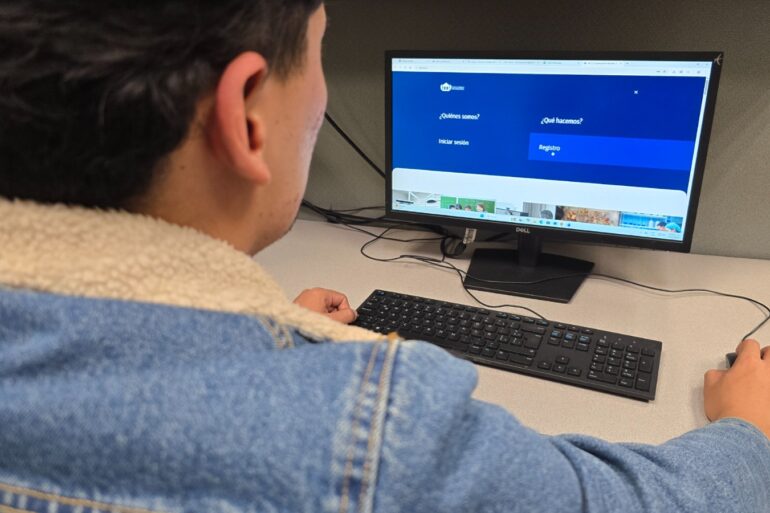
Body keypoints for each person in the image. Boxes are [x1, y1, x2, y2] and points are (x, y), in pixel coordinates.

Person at [1, 2, 770, 512]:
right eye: (320, 51)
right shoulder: (373, 432)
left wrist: (270, 337)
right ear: (246, 117)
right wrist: (748, 430)